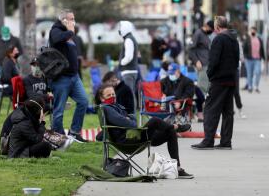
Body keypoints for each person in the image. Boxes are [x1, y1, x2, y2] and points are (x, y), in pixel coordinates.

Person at [95, 84, 193, 179]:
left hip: (135, 137)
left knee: (171, 132)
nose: (112, 97)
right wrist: (128, 119)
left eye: (113, 94)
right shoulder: (107, 108)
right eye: (109, 95)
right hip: (128, 141)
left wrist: (129, 119)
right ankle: (176, 126)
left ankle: (177, 168)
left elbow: (133, 119)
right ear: (102, 98)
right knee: (154, 121)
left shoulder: (115, 106)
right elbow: (130, 123)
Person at [191, 16, 239, 150]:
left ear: (217, 27)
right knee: (228, 112)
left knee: (210, 109)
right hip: (231, 79)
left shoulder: (218, 39)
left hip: (219, 80)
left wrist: (210, 75)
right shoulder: (234, 39)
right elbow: (236, 60)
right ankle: (226, 142)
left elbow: (214, 61)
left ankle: (208, 141)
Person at [49, 9, 88, 143]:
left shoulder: (70, 34)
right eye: (70, 19)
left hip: (74, 77)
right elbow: (56, 38)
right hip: (61, 78)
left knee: (83, 101)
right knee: (59, 110)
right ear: (63, 20)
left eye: (73, 18)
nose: (73, 21)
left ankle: (74, 132)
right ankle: (59, 137)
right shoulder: (56, 30)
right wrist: (70, 31)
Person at [0, 26, 23, 102]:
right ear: (1, 33)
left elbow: (20, 51)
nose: (6, 36)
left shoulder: (15, 40)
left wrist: (15, 58)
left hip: (11, 64)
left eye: (7, 34)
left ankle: (16, 98)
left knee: (16, 80)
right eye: (4, 35)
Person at [118, 21, 138, 113]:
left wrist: (121, 62)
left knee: (129, 94)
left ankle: (131, 115)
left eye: (121, 27)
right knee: (130, 93)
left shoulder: (128, 39)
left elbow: (129, 56)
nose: (119, 29)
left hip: (128, 71)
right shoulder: (130, 38)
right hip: (130, 71)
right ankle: (130, 115)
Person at [189, 20, 214, 94]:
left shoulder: (205, 35)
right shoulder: (198, 33)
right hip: (202, 64)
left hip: (206, 63)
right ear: (207, 26)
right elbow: (191, 49)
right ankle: (201, 104)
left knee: (207, 86)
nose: (212, 31)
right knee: (202, 86)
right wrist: (196, 61)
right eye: (211, 29)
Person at [243, 27, 265, 93]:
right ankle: (250, 86)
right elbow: (244, 49)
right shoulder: (247, 39)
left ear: (256, 31)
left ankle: (256, 86)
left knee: (258, 72)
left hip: (257, 59)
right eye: (251, 31)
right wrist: (245, 57)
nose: (253, 32)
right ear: (250, 31)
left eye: (254, 31)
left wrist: (264, 58)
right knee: (249, 73)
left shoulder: (259, 39)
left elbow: (262, 49)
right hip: (249, 59)